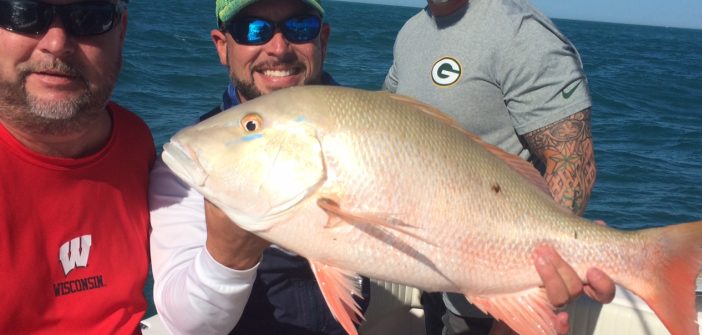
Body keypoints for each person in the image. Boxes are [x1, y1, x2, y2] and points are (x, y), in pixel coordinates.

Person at [382, 0, 616, 334]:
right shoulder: (411, 32)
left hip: (493, 299)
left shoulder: (520, 30)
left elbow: (574, 160)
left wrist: (522, 302)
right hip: (435, 277)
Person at [149, 0, 368, 334]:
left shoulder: (370, 131)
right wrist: (228, 254)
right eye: (253, 30)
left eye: (300, 27)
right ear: (222, 47)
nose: (278, 48)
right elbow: (188, 324)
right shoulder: (198, 158)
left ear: (322, 39)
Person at [0, 0, 155, 334]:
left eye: (89, 17)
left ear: (122, 32)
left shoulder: (135, 140)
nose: (56, 44)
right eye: (24, 14)